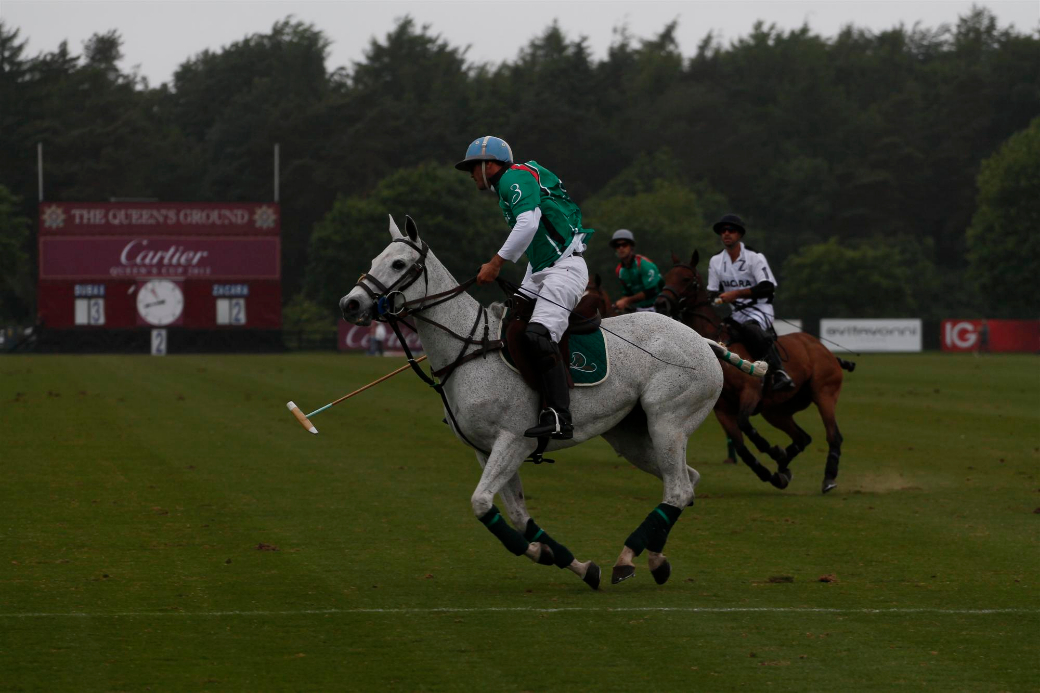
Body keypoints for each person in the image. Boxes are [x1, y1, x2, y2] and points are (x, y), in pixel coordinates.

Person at [457, 135, 594, 439]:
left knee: (537, 335)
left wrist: (496, 263)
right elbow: (536, 241)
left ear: (489, 165)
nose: (470, 175)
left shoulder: (512, 178)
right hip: (542, 268)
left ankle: (559, 416)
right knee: (510, 324)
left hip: (565, 268)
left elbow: (529, 224)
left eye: (472, 168)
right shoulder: (508, 187)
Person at [707, 214, 794, 391]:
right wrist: (717, 299)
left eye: (731, 230)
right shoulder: (715, 261)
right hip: (736, 313)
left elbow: (767, 287)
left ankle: (779, 372)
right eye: (723, 231)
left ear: (739, 234)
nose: (726, 234)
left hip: (760, 309)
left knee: (750, 328)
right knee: (718, 336)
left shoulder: (755, 257)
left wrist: (735, 294)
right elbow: (712, 292)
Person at [610, 229, 665, 312]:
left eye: (624, 244)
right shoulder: (620, 270)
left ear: (631, 247)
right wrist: (619, 304)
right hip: (639, 310)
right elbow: (628, 294)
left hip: (659, 308)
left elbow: (651, 291)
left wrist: (626, 301)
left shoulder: (644, 264)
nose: (621, 248)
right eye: (617, 246)